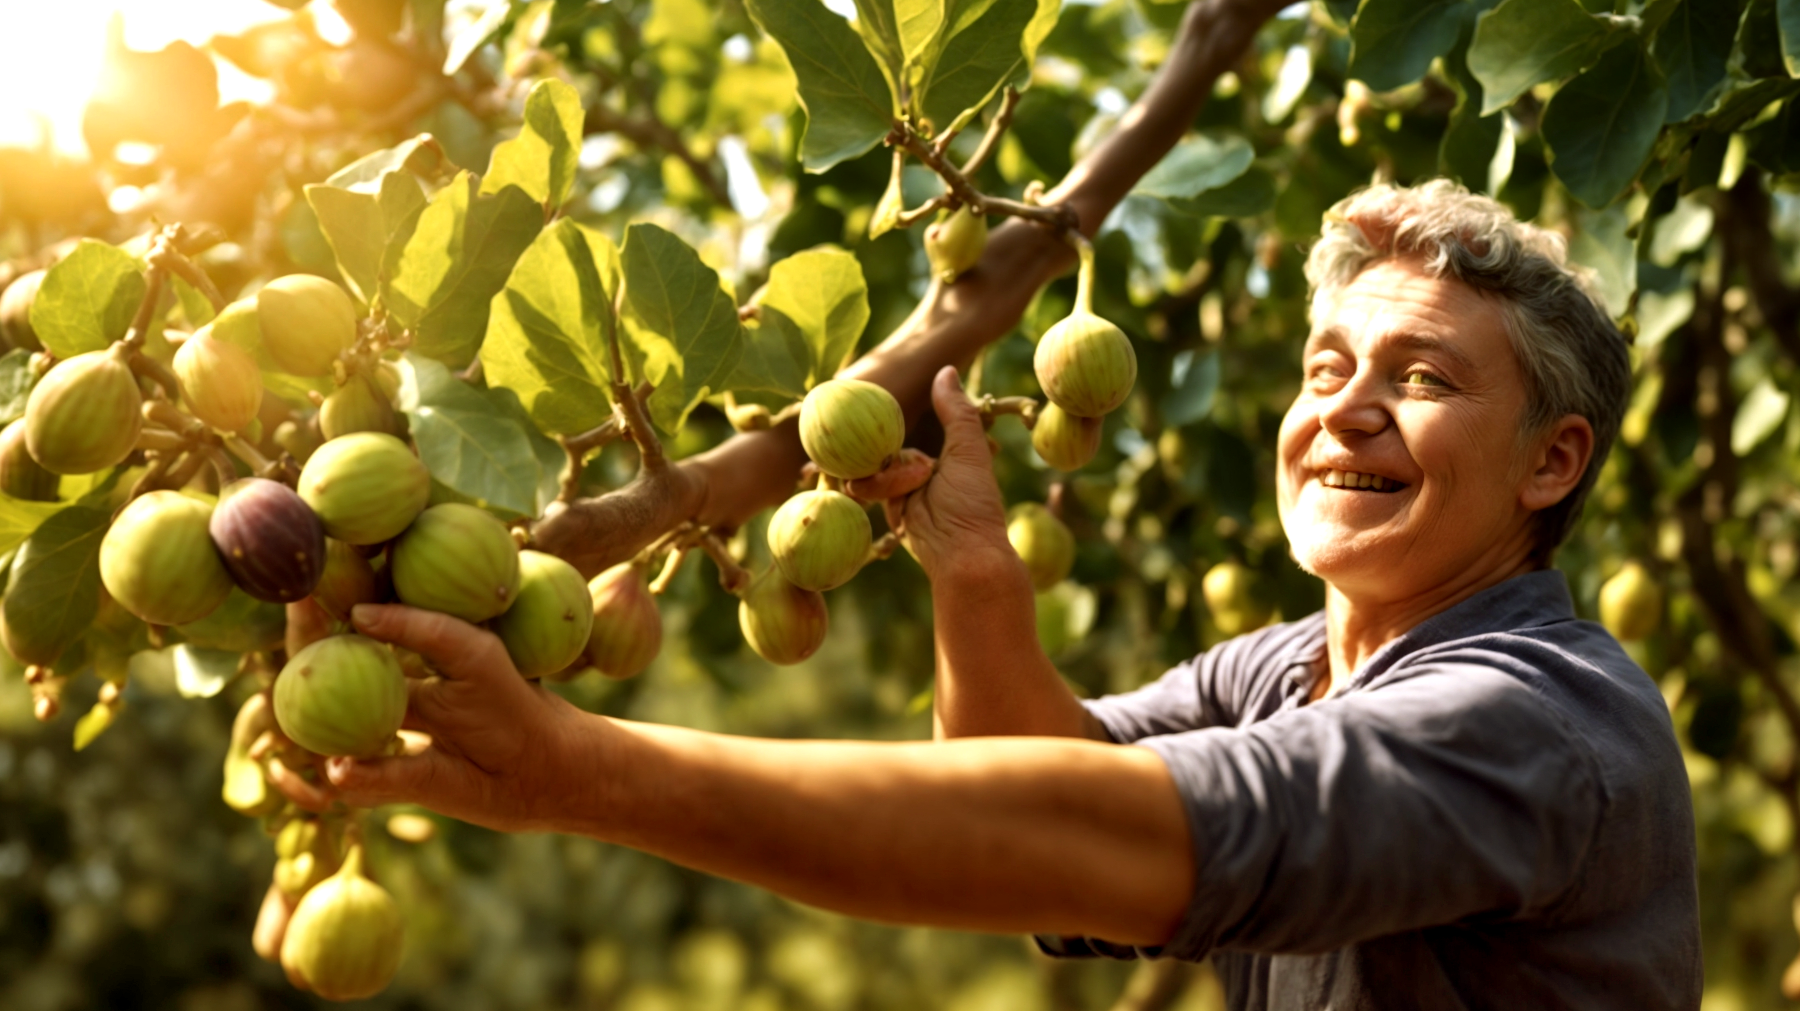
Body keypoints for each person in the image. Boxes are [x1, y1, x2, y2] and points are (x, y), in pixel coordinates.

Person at [286, 181, 1701, 1010]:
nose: (1348, 414)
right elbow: (1051, 810)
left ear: (1551, 461)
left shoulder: (1535, 722)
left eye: (1426, 378)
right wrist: (972, 567)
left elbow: (1094, 833)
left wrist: (577, 770)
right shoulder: (1287, 671)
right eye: (1329, 369)